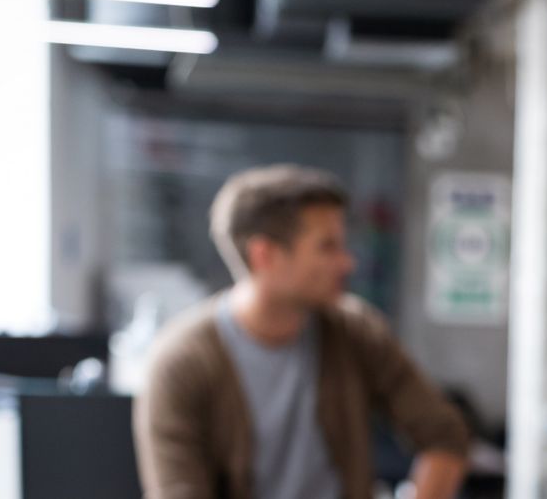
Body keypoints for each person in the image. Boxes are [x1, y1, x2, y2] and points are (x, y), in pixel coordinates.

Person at [135, 165, 469, 499]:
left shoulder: (355, 331)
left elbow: (444, 435)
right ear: (264, 255)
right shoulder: (181, 362)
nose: (346, 262)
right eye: (327, 246)